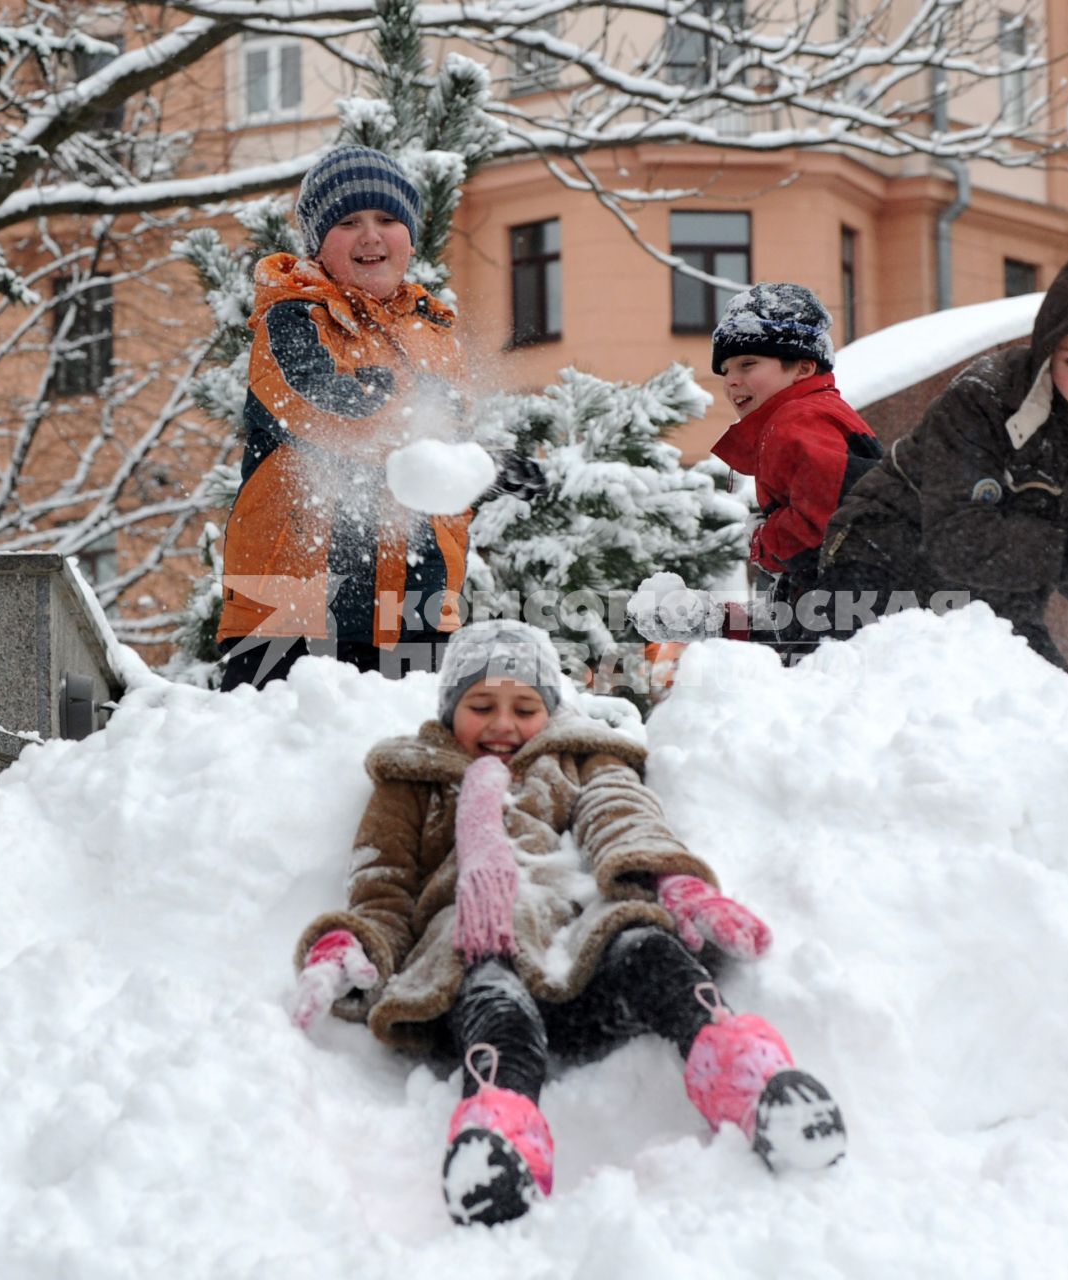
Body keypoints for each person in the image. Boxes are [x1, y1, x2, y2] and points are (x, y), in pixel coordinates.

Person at [288, 621, 847, 1226]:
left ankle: (748, 1079)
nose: (503, 723)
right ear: (450, 709)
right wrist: (352, 941)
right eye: (481, 706)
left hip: (584, 949)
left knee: (644, 942)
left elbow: (621, 817)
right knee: (491, 998)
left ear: (549, 710)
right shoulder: (413, 782)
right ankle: (503, 1140)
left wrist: (676, 883)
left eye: (524, 707)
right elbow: (385, 881)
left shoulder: (579, 758)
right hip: (477, 949)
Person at [815, 245, 1068, 668]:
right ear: (1048, 352)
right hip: (879, 566)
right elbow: (955, 537)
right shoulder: (984, 398)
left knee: (1055, 707)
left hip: (999, 597)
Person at [217, 145, 477, 691]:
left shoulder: (434, 331)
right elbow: (307, 402)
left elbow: (448, 454)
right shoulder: (292, 317)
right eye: (348, 222)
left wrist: (487, 472)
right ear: (317, 241)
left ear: (410, 234)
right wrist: (376, 408)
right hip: (295, 603)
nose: (370, 236)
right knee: (289, 752)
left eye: (387, 219)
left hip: (416, 600)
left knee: (411, 756)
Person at [708, 283, 882, 662]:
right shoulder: (807, 415)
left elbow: (821, 521)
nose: (731, 380)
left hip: (845, 600)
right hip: (847, 593)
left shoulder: (799, 418)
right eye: (726, 370)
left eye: (748, 364)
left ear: (803, 367)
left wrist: (765, 540)